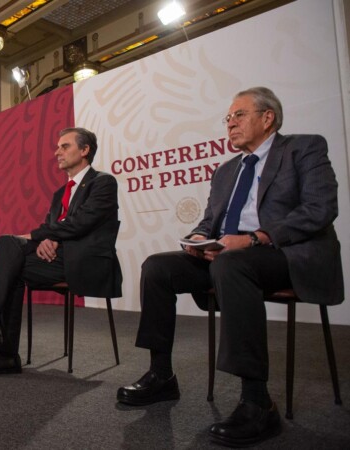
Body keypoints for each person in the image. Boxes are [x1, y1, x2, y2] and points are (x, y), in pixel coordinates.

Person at [116, 87, 343, 447]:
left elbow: (320, 208)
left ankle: (257, 401)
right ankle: (161, 375)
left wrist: (257, 237)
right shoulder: (226, 170)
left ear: (267, 118)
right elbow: (210, 221)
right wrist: (198, 237)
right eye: (228, 118)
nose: (230, 124)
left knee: (233, 264)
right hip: (228, 255)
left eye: (239, 115)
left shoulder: (304, 148)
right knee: (157, 267)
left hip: (285, 253)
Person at [0, 127, 122, 374]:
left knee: (12, 254)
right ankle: (1, 346)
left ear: (84, 150)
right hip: (56, 259)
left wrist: (42, 236)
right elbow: (49, 227)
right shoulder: (60, 193)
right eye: (57, 147)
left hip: (85, 260)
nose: (57, 152)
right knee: (10, 251)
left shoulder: (103, 182)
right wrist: (44, 238)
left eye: (65, 146)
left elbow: (81, 223)